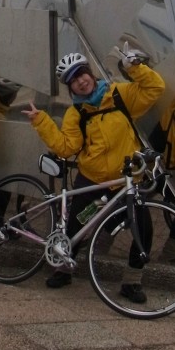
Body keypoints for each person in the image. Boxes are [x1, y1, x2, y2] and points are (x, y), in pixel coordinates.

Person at [23, 45, 165, 296]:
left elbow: (155, 88)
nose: (80, 82)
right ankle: (63, 269)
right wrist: (42, 122)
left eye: (81, 74)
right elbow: (67, 148)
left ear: (90, 72)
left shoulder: (119, 96)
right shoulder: (75, 113)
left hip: (127, 181)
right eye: (73, 80)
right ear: (69, 87)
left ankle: (132, 282)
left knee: (143, 229)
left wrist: (134, 67)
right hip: (92, 181)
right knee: (75, 227)